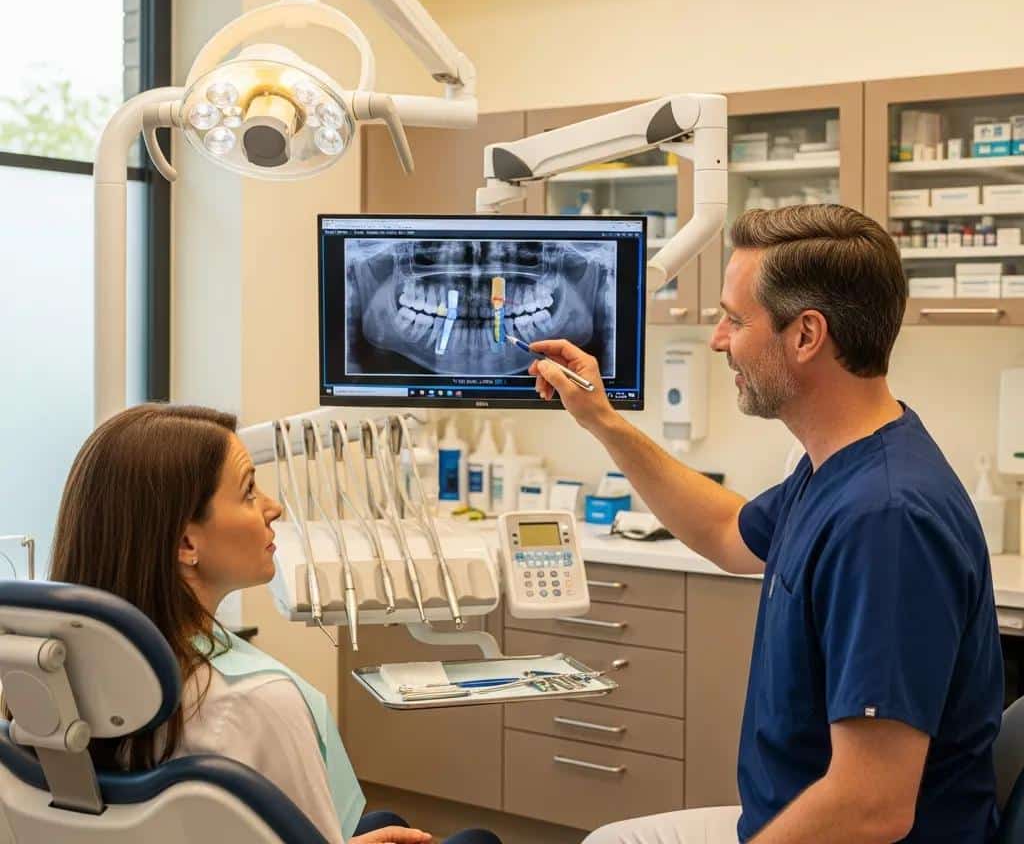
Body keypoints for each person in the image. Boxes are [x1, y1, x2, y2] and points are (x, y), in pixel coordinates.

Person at [528, 205, 1002, 844]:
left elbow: (872, 806)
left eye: (734, 319)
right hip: (780, 820)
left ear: (806, 335)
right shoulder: (839, 466)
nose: (718, 340)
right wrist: (602, 420)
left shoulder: (886, 521)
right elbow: (728, 531)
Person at [49, 403, 501, 844]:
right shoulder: (253, 701)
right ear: (186, 542)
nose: (274, 507)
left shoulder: (57, 675)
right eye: (249, 492)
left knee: (383, 819)